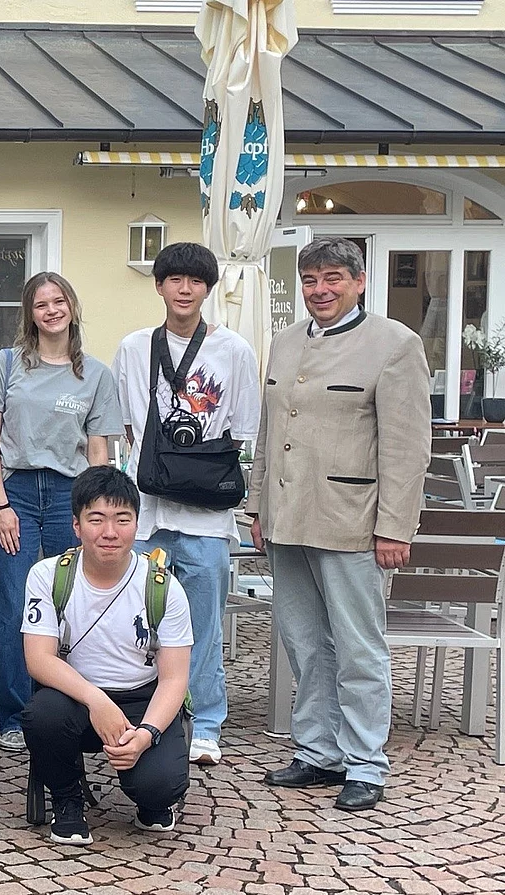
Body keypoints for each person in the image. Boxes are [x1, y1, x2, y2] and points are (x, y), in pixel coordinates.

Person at [247, 237, 431, 812]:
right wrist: (257, 508)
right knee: (304, 643)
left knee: (358, 649)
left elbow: (407, 448)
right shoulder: (282, 343)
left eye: (331, 278)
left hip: (353, 521)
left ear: (358, 282)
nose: (319, 290)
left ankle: (366, 763)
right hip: (286, 519)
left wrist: (396, 526)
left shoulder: (396, 346)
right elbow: (267, 433)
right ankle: (318, 751)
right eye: (309, 280)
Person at [112, 243, 259, 767]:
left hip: (206, 515)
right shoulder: (133, 347)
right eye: (174, 279)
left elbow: (243, 431)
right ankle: (149, 713)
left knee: (202, 625)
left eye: (195, 281)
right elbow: (125, 428)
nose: (184, 289)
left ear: (208, 289)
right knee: (141, 624)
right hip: (147, 513)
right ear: (159, 286)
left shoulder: (235, 350)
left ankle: (207, 722)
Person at [0, 272, 122, 752]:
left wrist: (98, 511)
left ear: (72, 307)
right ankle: (15, 716)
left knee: (73, 603)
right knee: (14, 604)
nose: (51, 310)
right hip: (15, 491)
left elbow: (99, 450)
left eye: (59, 301)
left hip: (72, 494)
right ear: (30, 313)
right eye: (41, 304)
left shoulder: (97, 375)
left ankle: (71, 705)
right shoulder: (5, 366)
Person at [21, 465, 193, 846]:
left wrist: (146, 734)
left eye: (122, 519)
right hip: (76, 697)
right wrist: (96, 700)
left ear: (137, 523)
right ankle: (67, 801)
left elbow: (174, 678)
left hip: (140, 699)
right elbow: (39, 659)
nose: (110, 532)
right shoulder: (48, 575)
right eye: (96, 519)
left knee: (159, 786)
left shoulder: (162, 586)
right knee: (41, 715)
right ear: (76, 526)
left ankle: (152, 799)